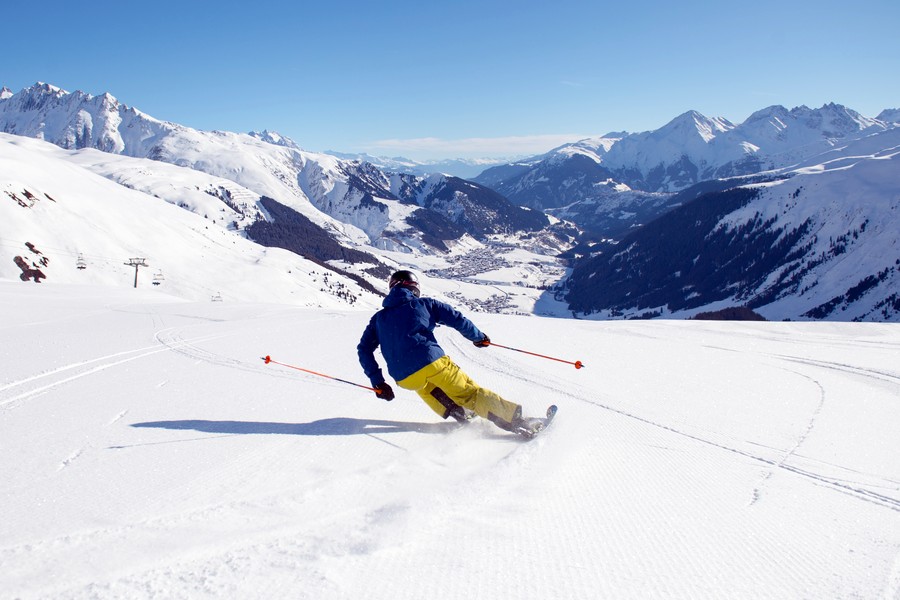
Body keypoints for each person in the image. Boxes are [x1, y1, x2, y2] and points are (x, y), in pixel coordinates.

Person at [357, 270, 541, 435]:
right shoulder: (425, 304)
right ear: (414, 287)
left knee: (427, 387)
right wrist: (478, 337)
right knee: (470, 394)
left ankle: (461, 413)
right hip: (432, 361)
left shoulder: (377, 319)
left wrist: (378, 382)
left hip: (404, 378)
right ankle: (518, 422)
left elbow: (364, 349)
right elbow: (456, 318)